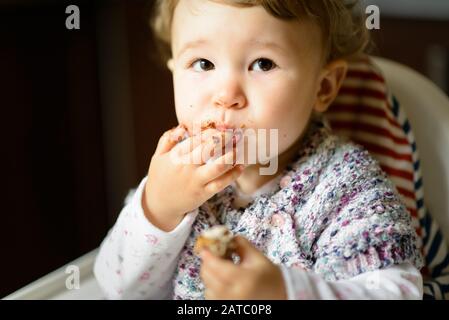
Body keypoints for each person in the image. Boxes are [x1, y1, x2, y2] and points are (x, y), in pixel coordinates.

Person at [94, 0, 423, 299]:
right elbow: (115, 286)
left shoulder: (346, 188)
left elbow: (397, 293)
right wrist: (158, 209)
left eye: (263, 64)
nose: (226, 94)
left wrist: (284, 292)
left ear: (322, 87)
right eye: (204, 63)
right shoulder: (179, 174)